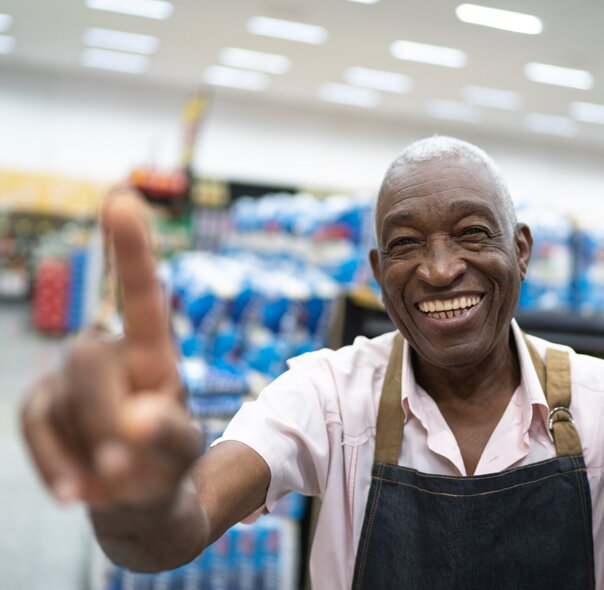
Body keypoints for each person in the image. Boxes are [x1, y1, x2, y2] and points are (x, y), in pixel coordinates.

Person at [21, 136, 604, 589]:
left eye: (472, 233)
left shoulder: (595, 406)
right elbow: (183, 522)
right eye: (405, 244)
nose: (440, 269)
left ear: (521, 250)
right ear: (377, 274)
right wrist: (136, 502)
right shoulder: (329, 396)